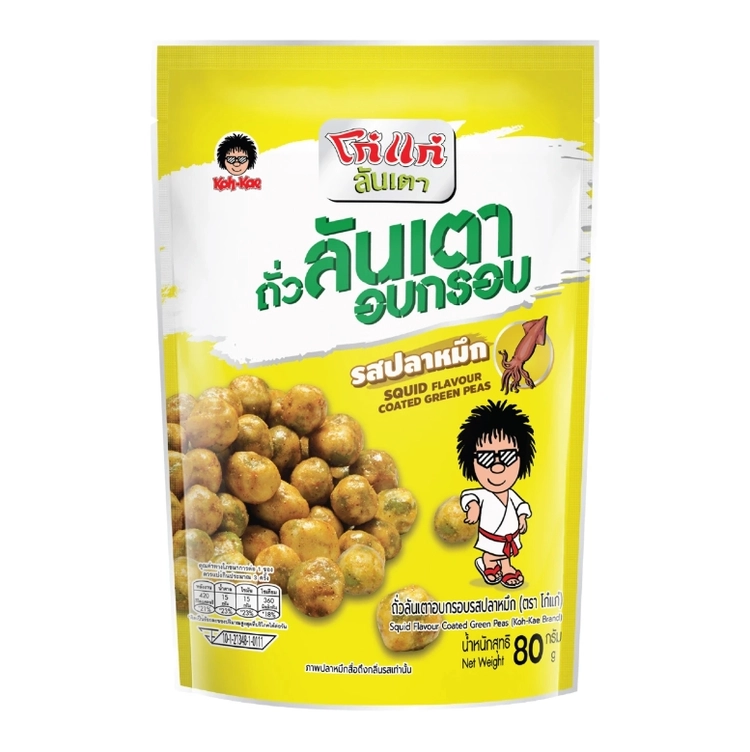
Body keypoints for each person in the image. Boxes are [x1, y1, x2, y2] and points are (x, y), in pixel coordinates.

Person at [456, 400, 535, 588]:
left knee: (506, 556)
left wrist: (522, 518)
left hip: (510, 535)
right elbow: (470, 496)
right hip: (491, 536)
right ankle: (487, 564)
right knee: (492, 553)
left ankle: (506, 569)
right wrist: (473, 508)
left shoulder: (512, 495)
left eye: (507, 456)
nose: (497, 467)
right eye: (486, 458)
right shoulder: (483, 495)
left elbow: (521, 506)